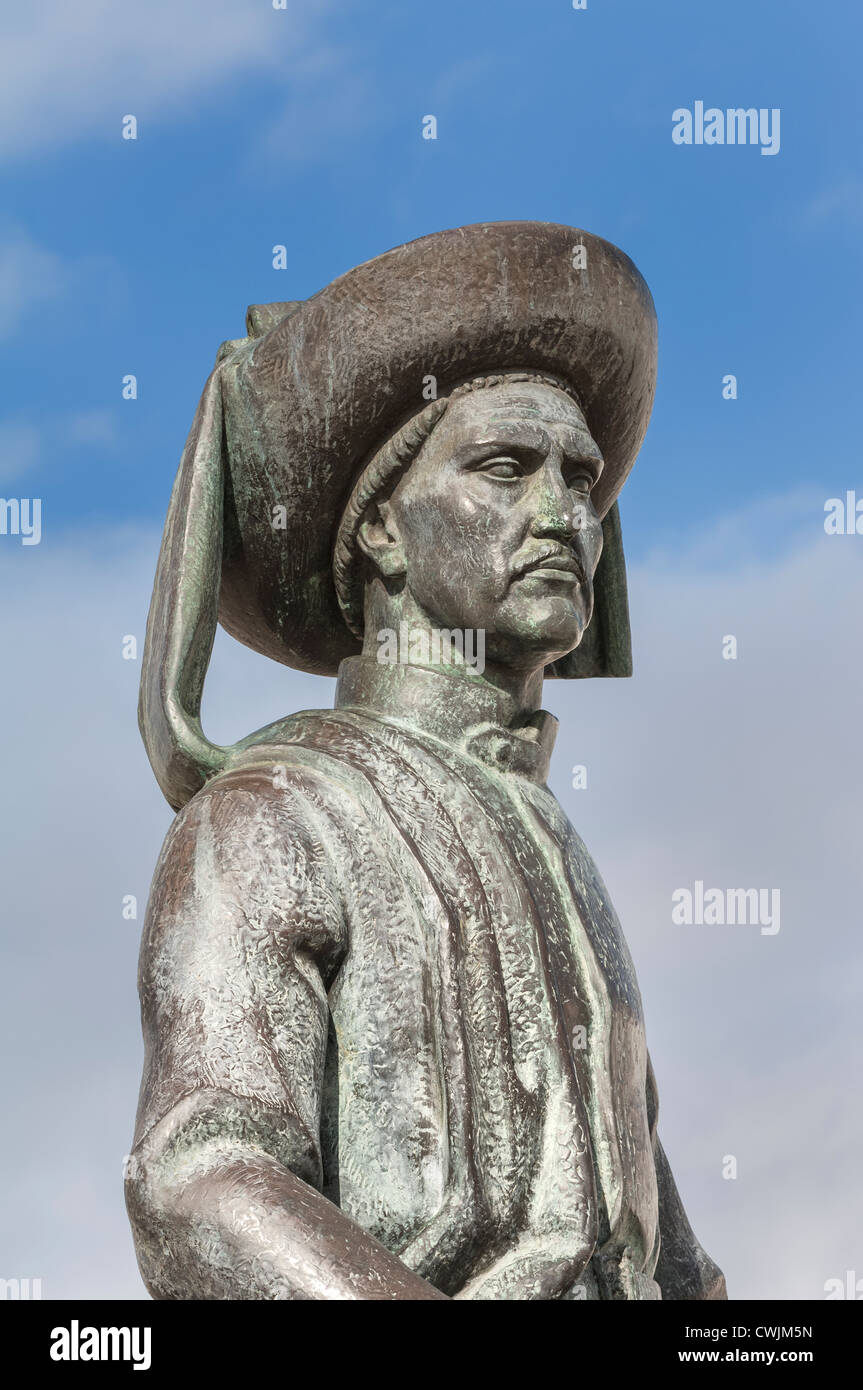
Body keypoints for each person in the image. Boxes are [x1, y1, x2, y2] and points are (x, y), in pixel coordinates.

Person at [127, 222, 726, 1301]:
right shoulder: (275, 814)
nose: (560, 515)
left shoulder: (555, 845)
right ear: (383, 534)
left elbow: (653, 1241)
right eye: (503, 467)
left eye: (579, 481)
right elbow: (202, 1176)